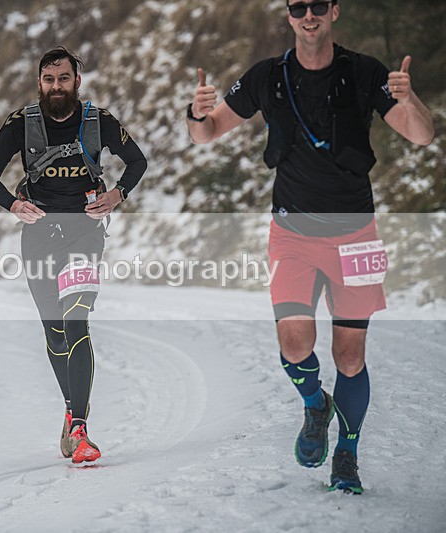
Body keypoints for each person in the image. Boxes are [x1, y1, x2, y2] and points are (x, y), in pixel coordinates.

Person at [186, 1, 433, 493]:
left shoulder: (363, 72)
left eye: (318, 5)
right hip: (293, 234)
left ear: (334, 12)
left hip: (356, 234)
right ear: (290, 15)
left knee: (350, 358)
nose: (309, 14)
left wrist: (411, 101)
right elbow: (206, 133)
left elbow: (422, 136)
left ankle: (347, 452)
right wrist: (195, 114)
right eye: (299, 7)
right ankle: (317, 406)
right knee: (295, 345)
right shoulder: (266, 76)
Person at [0, 47, 147, 464]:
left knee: (76, 318)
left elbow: (137, 162)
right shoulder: (20, 124)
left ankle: (80, 428)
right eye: (49, 80)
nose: (57, 87)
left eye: (64, 79)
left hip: (84, 235)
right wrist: (13, 205)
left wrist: (117, 194)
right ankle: (73, 408)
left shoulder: (98, 121)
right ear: (40, 83)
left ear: (77, 82)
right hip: (37, 239)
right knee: (55, 333)